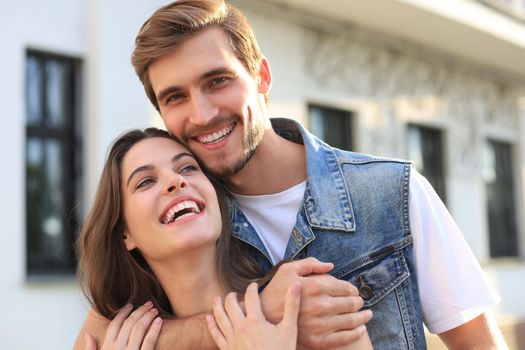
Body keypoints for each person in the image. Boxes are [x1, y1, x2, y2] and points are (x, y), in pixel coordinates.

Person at [75, 0, 507, 348]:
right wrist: (264, 317)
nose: (202, 114)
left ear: (260, 76)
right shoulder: (186, 214)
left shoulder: (390, 193)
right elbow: (97, 338)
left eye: (217, 80)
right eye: (175, 97)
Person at [77, 127, 372, 350]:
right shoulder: (117, 336)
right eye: (146, 181)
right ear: (124, 234)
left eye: (188, 168)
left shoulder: (310, 305)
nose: (176, 181)